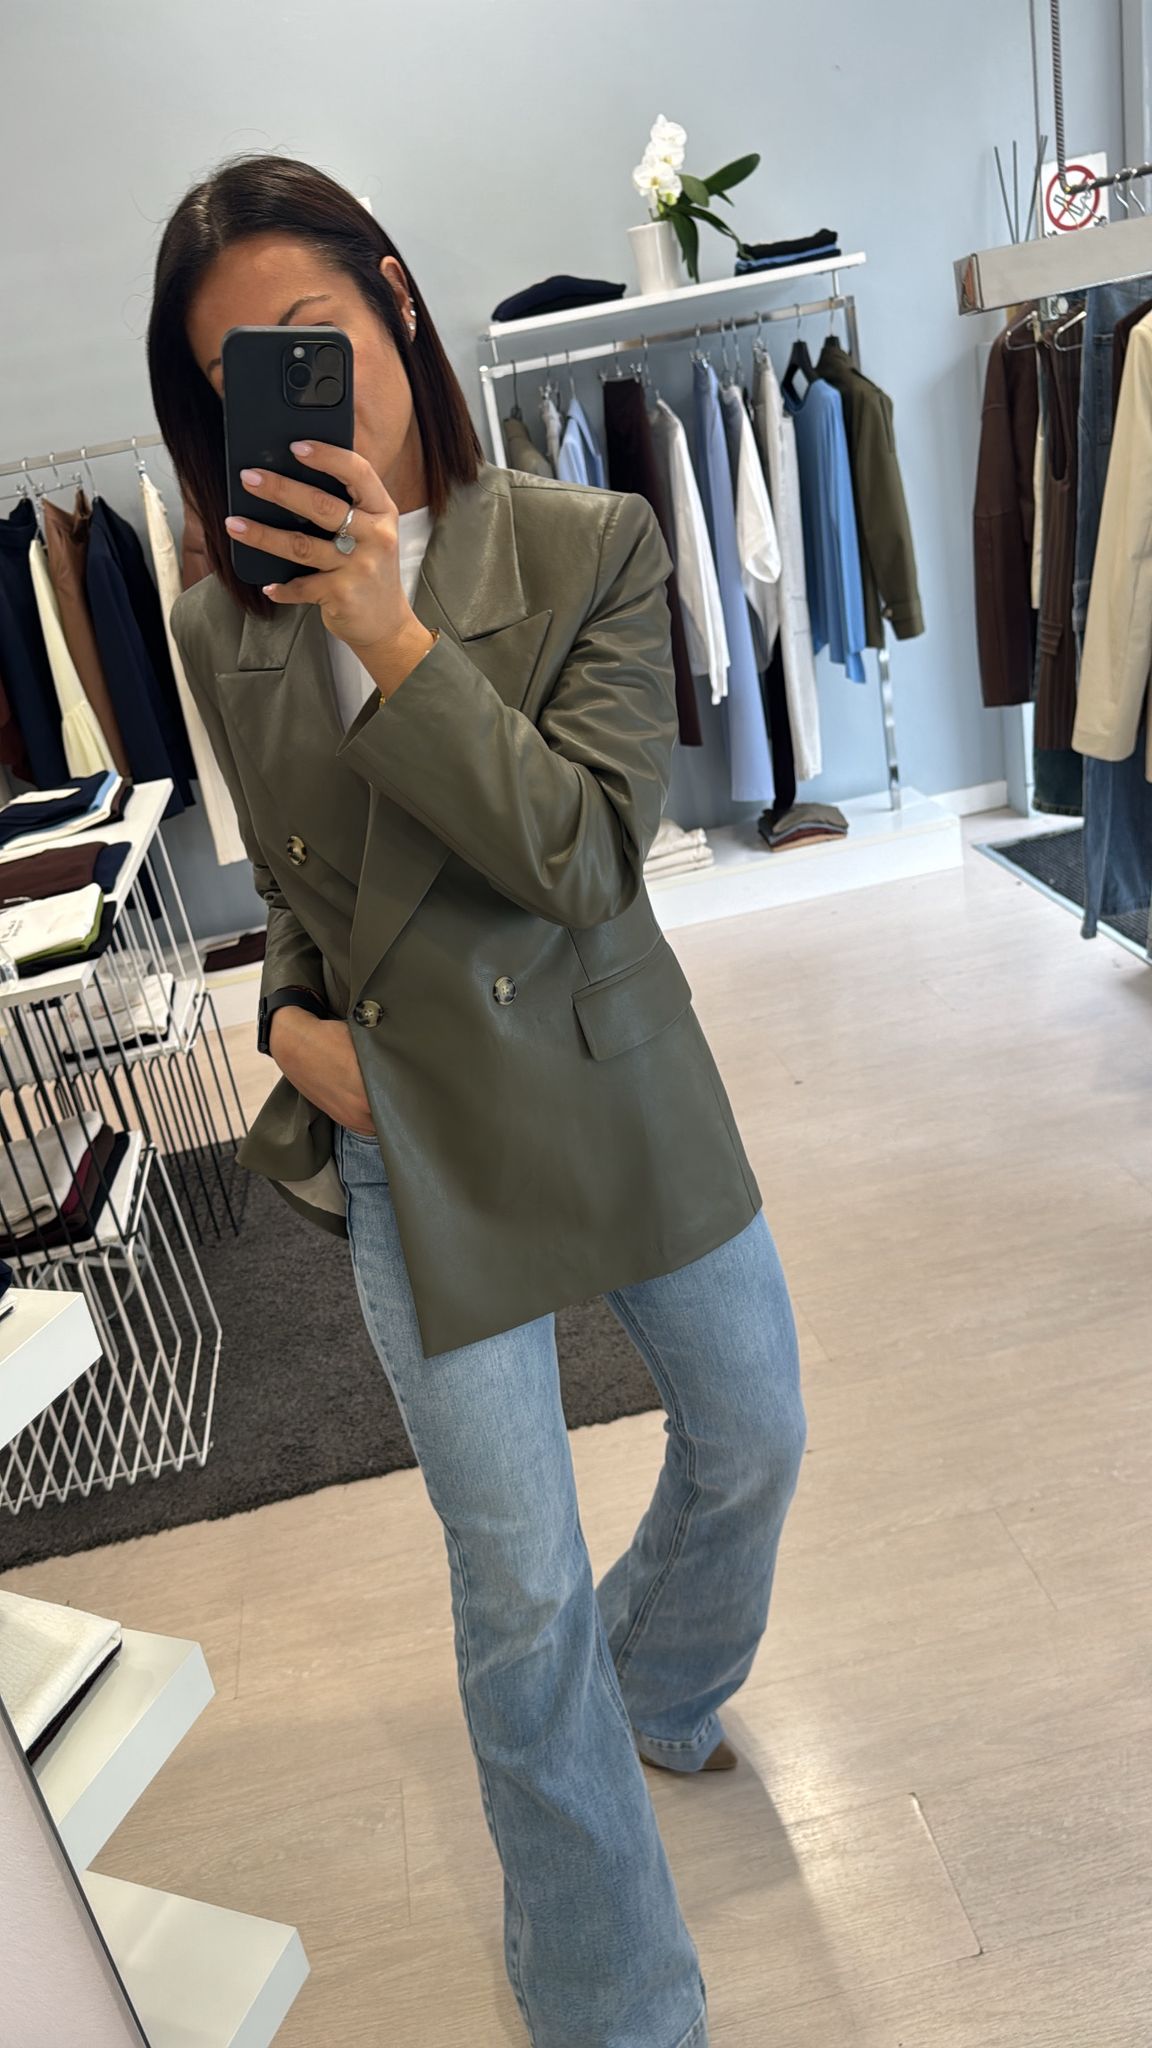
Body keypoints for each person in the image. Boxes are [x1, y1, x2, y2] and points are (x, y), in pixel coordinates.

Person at [149, 153, 807, 2048]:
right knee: (517, 1597)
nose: (287, 386)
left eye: (310, 335)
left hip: (611, 1074)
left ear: (395, 299)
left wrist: (392, 636)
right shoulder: (215, 623)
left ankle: (658, 1679)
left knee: (755, 1433)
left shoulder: (593, 540)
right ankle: (614, 2000)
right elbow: (296, 889)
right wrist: (288, 1024)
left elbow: (587, 856)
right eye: (234, 373)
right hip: (405, 1136)